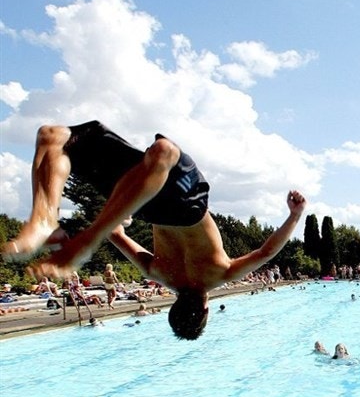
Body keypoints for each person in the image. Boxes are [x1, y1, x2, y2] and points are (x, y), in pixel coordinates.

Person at [2, 121, 306, 340]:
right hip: (153, 202)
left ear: (205, 310)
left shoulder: (220, 275)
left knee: (159, 150)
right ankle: (47, 221)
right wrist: (115, 223)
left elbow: (265, 252)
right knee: (52, 136)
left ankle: (48, 219)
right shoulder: (159, 273)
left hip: (168, 200)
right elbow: (117, 236)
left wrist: (293, 216)